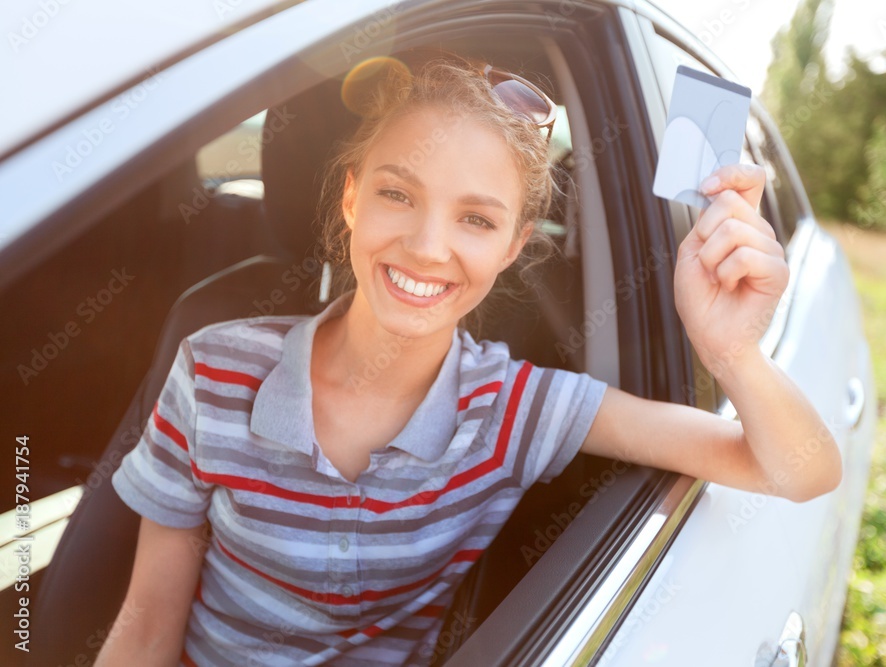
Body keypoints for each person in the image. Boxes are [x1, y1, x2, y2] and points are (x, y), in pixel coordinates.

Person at [95, 54, 841, 666]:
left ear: (515, 244)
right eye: (397, 193)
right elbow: (147, 626)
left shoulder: (516, 408)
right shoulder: (214, 371)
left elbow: (799, 468)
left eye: (476, 218)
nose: (426, 246)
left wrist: (730, 350)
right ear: (352, 198)